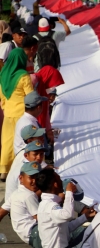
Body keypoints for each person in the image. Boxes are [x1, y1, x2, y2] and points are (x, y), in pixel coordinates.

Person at [37, 169, 96, 248]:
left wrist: (85, 216)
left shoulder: (45, 204)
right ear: (55, 184)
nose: (62, 182)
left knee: (92, 230)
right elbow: (67, 215)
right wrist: (69, 192)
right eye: (59, 179)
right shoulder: (50, 206)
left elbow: (67, 228)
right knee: (94, 233)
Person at [0, 48, 34, 180]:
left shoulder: (3, 74)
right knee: (22, 142)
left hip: (8, 112)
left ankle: (4, 170)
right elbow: (30, 96)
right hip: (22, 113)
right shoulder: (23, 76)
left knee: (7, 141)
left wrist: (5, 107)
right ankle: (20, 169)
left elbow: (2, 96)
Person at [1, 161, 42, 248]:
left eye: (38, 178)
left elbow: (1, 212)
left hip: (27, 236)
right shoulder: (29, 195)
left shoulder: (16, 193)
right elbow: (42, 219)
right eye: (31, 177)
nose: (35, 181)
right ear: (21, 178)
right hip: (35, 236)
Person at [13, 91, 47, 156]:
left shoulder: (25, 119)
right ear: (39, 107)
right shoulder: (29, 124)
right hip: (28, 160)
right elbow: (34, 146)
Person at [34, 65, 64, 133]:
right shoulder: (34, 91)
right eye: (53, 84)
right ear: (48, 79)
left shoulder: (43, 94)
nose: (53, 87)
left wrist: (48, 130)